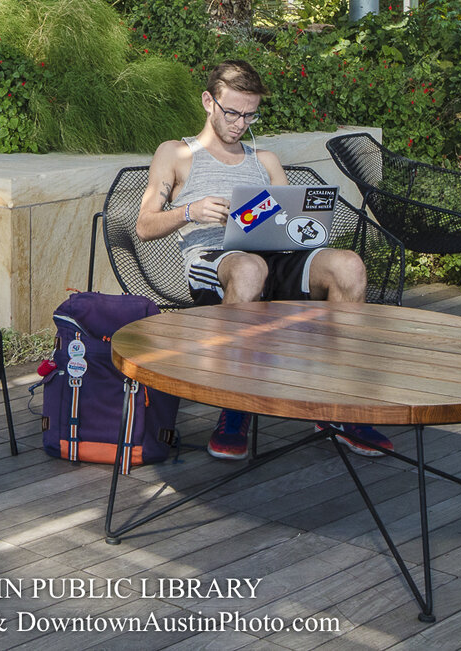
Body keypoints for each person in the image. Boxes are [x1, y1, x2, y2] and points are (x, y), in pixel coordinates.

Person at [133, 60, 386, 463]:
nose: (240, 123)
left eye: (250, 115)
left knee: (348, 265)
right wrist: (189, 211)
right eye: (232, 112)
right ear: (208, 102)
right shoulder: (177, 154)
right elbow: (144, 226)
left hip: (272, 257)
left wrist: (299, 225)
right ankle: (236, 407)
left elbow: (286, 225)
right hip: (215, 260)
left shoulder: (264, 160)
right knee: (250, 268)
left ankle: (339, 404)